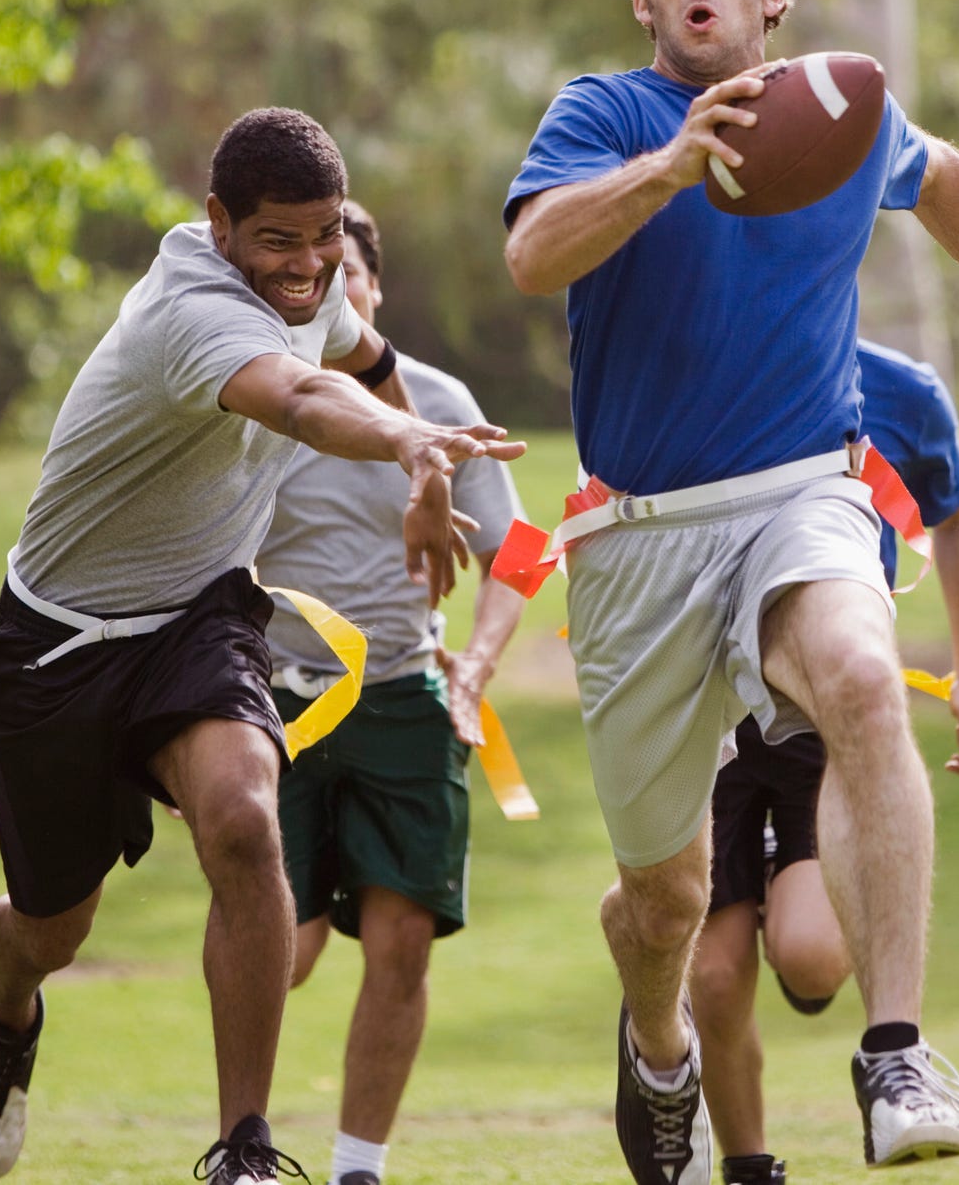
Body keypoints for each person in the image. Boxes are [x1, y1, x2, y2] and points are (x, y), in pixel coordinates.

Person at [501, 0, 959, 1182]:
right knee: (665, 898)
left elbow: (945, 171)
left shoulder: (843, 110)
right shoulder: (603, 114)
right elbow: (532, 255)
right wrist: (667, 170)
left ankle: (897, 1049)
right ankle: (656, 1044)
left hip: (800, 490)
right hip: (635, 539)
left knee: (861, 681)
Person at [0, 108, 524, 1185]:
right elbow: (305, 397)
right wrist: (409, 438)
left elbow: (365, 353)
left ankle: (244, 1146)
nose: (308, 268)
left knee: (246, 819)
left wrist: (423, 476)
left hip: (196, 620)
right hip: (56, 644)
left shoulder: (313, 291)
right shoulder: (193, 314)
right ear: (219, 223)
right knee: (51, 925)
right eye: (278, 242)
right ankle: (8, 1004)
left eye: (324, 241)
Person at [255, 200, 527, 1185]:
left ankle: (356, 1167)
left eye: (348, 275)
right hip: (277, 703)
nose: (331, 290)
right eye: (311, 277)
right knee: (281, 951)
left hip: (410, 696)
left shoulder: (440, 401)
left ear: (372, 290)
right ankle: (245, 1144)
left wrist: (480, 664)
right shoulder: (260, 398)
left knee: (401, 939)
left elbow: (522, 549)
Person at [691, 338, 959, 1185]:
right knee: (715, 977)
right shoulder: (706, 360)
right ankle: (748, 1165)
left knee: (814, 958)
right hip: (709, 705)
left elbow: (958, 510)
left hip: (822, 709)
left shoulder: (905, 390)